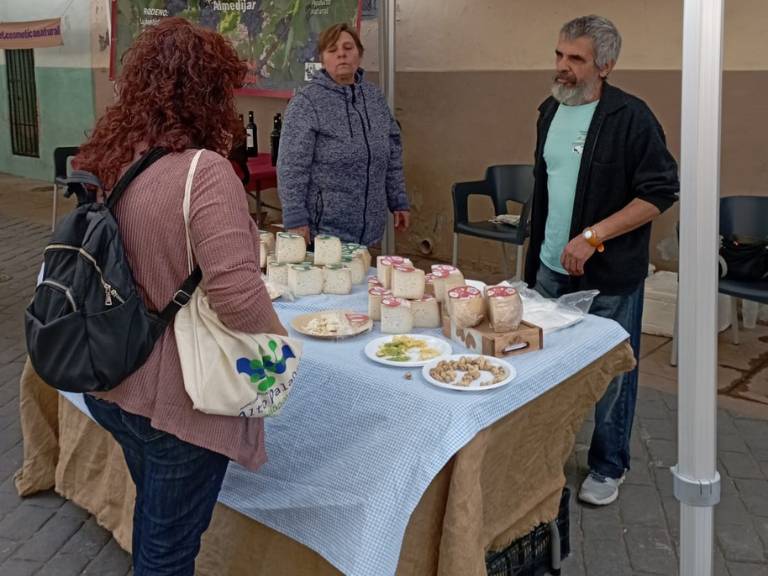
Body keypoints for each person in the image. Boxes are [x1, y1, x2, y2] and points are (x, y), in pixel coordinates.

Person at [73, 18, 285, 575]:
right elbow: (237, 294)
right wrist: (279, 345)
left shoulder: (124, 161)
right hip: (178, 402)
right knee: (168, 555)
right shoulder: (205, 171)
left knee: (157, 528)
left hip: (115, 382)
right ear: (210, 92)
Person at [524, 15, 679, 506]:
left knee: (612, 372)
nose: (562, 67)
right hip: (550, 269)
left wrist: (594, 236)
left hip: (609, 276)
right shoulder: (549, 111)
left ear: (605, 65)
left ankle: (608, 465)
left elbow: (659, 192)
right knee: (547, 367)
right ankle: (545, 454)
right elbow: (547, 188)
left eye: (576, 59)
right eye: (559, 55)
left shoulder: (631, 118)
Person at [277, 22, 410, 247]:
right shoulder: (306, 103)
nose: (341, 54)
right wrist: (295, 219)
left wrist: (399, 201)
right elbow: (291, 167)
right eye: (333, 50)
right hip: (324, 233)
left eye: (348, 48)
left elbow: (392, 155)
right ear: (322, 58)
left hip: (369, 231)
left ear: (359, 53)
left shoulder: (375, 99)